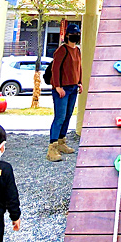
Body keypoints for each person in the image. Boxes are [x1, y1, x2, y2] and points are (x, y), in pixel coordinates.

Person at [47, 28, 82, 162]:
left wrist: (80, 82)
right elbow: (55, 69)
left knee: (67, 116)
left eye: (78, 34)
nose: (76, 36)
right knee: (60, 117)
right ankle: (52, 147)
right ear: (67, 35)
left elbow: (79, 67)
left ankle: (62, 142)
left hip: (73, 88)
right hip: (62, 89)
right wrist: (57, 86)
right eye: (74, 34)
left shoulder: (77, 50)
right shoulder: (62, 50)